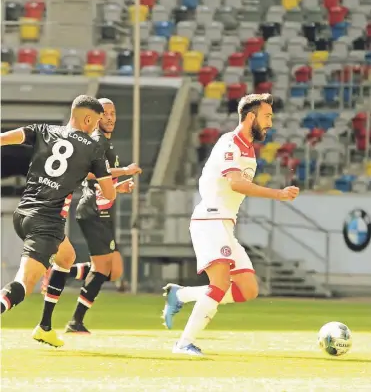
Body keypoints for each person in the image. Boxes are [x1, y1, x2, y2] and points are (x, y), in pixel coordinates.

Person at [162, 93, 300, 356]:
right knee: (220, 282)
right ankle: (183, 343)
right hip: (210, 219)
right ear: (251, 117)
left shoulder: (248, 149)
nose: (270, 122)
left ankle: (180, 295)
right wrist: (278, 194)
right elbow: (236, 183)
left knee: (248, 288)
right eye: (267, 116)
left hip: (224, 223)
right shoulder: (230, 142)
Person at [0, 95, 115, 348]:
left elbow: (3, 139)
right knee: (24, 284)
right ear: (88, 119)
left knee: (66, 257)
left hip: (22, 215)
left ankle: (45, 327)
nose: (96, 126)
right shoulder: (93, 147)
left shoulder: (43, 130)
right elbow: (109, 193)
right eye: (96, 121)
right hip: (47, 223)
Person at [44, 98, 142, 334]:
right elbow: (88, 173)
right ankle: (75, 319)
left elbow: (101, 180)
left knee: (113, 270)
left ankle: (63, 272)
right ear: (96, 117)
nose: (109, 117)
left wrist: (119, 187)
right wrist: (125, 171)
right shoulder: (96, 141)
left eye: (113, 113)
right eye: (105, 113)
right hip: (93, 209)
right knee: (104, 268)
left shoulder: (106, 143)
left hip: (102, 208)